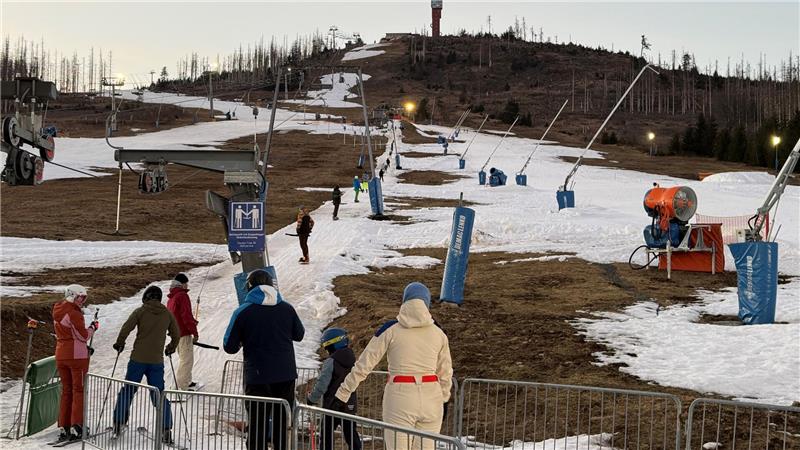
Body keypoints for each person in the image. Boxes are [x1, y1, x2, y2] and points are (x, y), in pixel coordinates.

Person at [335, 282, 452, 450]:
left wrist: (343, 393)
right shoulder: (439, 333)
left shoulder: (390, 329)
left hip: (400, 396)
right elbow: (445, 372)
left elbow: (365, 364)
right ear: (426, 304)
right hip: (432, 397)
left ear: (404, 301)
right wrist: (444, 399)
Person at [224, 270, 305, 450]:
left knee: (257, 425)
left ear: (249, 287)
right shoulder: (287, 308)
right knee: (282, 424)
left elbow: (229, 346)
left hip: (258, 376)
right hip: (285, 375)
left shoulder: (242, 311)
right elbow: (299, 335)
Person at [112, 286, 180, 444]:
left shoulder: (140, 311)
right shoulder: (167, 314)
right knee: (159, 394)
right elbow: (176, 334)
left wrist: (119, 343)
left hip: (138, 360)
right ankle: (166, 430)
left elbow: (126, 328)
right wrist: (170, 348)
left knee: (128, 390)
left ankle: (118, 423)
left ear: (146, 297)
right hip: (156, 361)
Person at [51, 284, 98, 444]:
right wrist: (92, 328)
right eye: (80, 297)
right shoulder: (73, 313)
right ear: (73, 295)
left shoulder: (58, 309)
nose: (82, 301)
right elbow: (82, 335)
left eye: (84, 298)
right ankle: (76, 426)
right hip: (76, 356)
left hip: (61, 353)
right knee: (78, 390)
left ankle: (64, 426)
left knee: (67, 391)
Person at [306, 328, 361, 450]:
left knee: (326, 436)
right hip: (349, 403)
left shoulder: (331, 361)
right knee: (351, 435)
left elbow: (322, 384)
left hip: (332, 405)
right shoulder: (353, 359)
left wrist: (311, 399)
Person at [166, 273, 199, 391]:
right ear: (183, 284)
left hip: (176, 333)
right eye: (186, 283)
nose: (187, 286)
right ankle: (182, 386)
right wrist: (194, 332)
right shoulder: (182, 296)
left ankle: (187, 381)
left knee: (184, 358)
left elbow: (174, 315)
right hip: (184, 333)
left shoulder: (171, 298)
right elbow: (186, 315)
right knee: (187, 360)